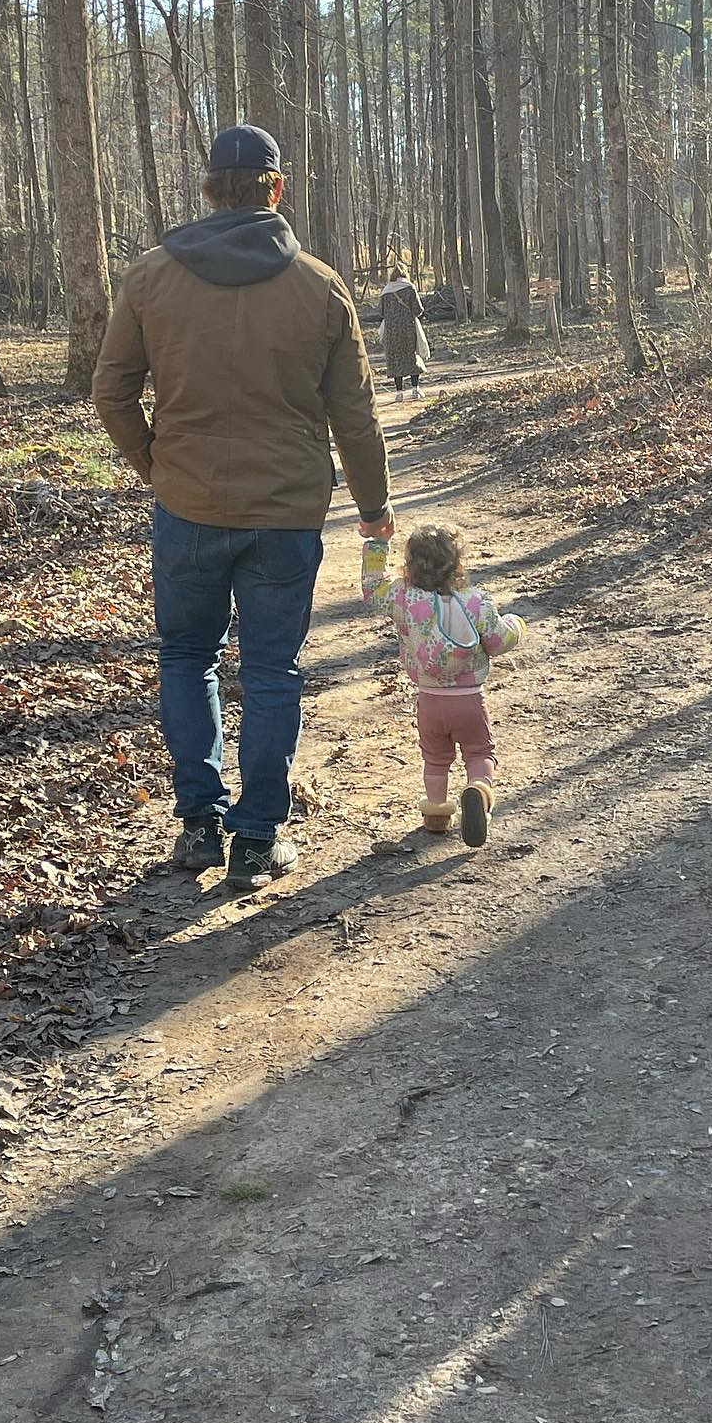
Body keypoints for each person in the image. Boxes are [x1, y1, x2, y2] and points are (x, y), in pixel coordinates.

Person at [93, 123, 393, 892]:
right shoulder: (322, 287)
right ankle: (256, 840)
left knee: (187, 657)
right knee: (271, 670)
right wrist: (373, 508)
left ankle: (198, 826)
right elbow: (354, 416)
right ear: (277, 188)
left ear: (208, 190)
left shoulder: (151, 278)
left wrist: (159, 466)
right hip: (285, 515)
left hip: (188, 504)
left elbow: (111, 393)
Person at [361, 522, 525, 848]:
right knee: (479, 752)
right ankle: (478, 790)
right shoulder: (476, 602)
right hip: (469, 700)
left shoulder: (403, 599)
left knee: (435, 758)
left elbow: (372, 588)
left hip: (429, 701)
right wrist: (516, 625)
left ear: (409, 565)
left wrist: (377, 543)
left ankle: (436, 814)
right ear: (459, 564)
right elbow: (497, 640)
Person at [379, 264, 426, 401]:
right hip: (408, 328)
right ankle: (415, 389)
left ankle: (399, 393)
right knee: (411, 356)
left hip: (391, 330)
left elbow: (381, 313)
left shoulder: (385, 291)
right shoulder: (409, 288)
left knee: (395, 358)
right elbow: (418, 310)